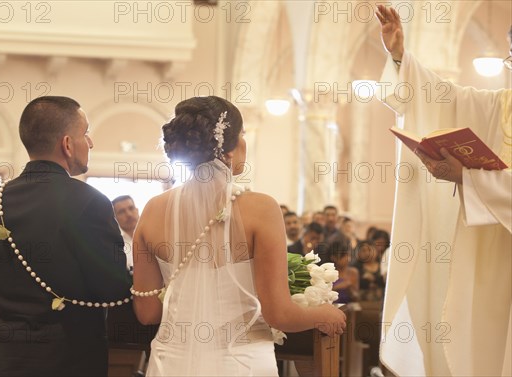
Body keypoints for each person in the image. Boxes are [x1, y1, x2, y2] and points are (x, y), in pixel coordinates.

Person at [132, 96, 346, 376]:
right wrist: (324, 314)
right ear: (233, 147)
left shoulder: (152, 210)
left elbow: (147, 312)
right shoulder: (261, 208)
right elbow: (280, 314)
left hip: (171, 361)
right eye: (243, 134)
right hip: (241, 362)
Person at [375, 5, 512, 376]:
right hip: (489, 251)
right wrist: (401, 56)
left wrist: (469, 179)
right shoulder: (501, 105)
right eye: (511, 56)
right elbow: (444, 97)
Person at [0, 96, 131, 377]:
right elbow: (113, 288)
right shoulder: (88, 201)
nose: (90, 143)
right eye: (86, 133)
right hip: (69, 359)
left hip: (6, 359)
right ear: (67, 144)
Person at [112, 195, 140, 272]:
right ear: (115, 218)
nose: (129, 214)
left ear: (137, 210)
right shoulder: (113, 243)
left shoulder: (152, 234)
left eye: (131, 208)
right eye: (121, 212)